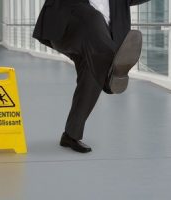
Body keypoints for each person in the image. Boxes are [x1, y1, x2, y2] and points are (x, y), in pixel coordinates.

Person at [33, 0, 151, 153]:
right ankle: (111, 68)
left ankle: (70, 135)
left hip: (97, 42)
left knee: (91, 75)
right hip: (67, 27)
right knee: (93, 18)